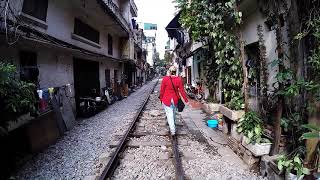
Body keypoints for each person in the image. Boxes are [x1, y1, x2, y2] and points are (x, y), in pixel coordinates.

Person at [159, 66, 189, 136]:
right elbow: (182, 91)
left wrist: (161, 98)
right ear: (176, 72)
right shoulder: (178, 79)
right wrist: (186, 100)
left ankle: (172, 130)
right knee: (173, 114)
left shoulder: (165, 79)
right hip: (175, 99)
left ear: (169, 71)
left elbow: (162, 91)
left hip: (166, 100)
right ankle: (173, 125)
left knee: (169, 115)